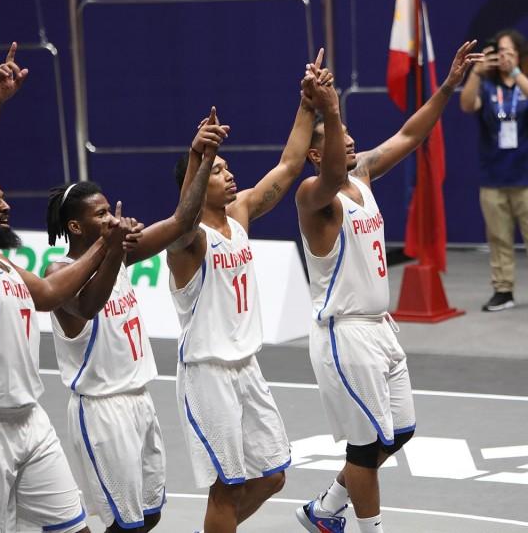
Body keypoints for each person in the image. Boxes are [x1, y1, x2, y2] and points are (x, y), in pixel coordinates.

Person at [0, 43, 121, 533]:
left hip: (30, 423)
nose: (5, 206)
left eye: (5, 198)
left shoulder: (8, 270)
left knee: (74, 528)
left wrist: (105, 244)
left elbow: (54, 294)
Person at [294, 42, 481, 533]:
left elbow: (410, 134)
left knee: (398, 431)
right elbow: (333, 171)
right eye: (339, 136)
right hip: (345, 334)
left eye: (350, 133)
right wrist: (329, 110)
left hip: (380, 328)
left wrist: (447, 86)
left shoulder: (363, 175)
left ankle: (325, 508)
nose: (351, 141)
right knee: (364, 446)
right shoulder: (314, 196)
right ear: (315, 153)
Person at [166, 50, 331, 533]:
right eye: (218, 170)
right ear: (196, 183)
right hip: (208, 372)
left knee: (274, 474)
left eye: (225, 167)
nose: (228, 173)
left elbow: (289, 164)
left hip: (246, 368)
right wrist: (200, 156)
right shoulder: (186, 241)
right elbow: (180, 221)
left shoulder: (238, 216)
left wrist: (307, 104)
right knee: (227, 487)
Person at [44, 106, 229, 533]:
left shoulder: (120, 253)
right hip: (102, 412)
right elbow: (88, 304)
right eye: (100, 214)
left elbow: (184, 220)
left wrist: (198, 156)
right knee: (124, 524)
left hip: (139, 400)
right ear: (75, 226)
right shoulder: (58, 274)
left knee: (149, 515)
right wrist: (112, 249)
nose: (110, 219)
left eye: (111, 211)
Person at [460, 29, 528, 311]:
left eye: (510, 51)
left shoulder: (522, 85)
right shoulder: (487, 87)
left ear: (519, 55)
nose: (504, 56)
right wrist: (476, 72)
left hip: (525, 177)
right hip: (493, 176)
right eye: (500, 51)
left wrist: (516, 72)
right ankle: (503, 290)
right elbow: (466, 105)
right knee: (499, 238)